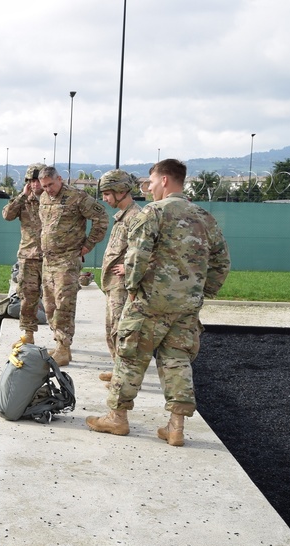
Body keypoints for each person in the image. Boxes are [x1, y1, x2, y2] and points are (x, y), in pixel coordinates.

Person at [87, 159, 230, 446]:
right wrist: (201, 293)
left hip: (149, 302)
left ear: (165, 180)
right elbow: (222, 263)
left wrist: (131, 289)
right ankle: (176, 427)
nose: (149, 189)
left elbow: (136, 256)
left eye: (151, 183)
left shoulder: (153, 212)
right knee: (177, 361)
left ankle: (117, 418)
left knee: (130, 357)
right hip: (186, 307)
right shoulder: (205, 216)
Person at [37, 165, 109, 365]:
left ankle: (63, 346)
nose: (48, 189)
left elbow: (101, 217)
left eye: (51, 184)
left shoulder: (77, 197)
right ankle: (60, 345)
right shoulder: (44, 198)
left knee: (64, 304)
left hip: (67, 259)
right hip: (48, 260)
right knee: (50, 305)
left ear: (59, 179)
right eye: (44, 186)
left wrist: (88, 245)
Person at [97, 169, 142, 382]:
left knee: (121, 331)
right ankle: (118, 370)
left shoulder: (136, 217)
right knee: (112, 328)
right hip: (113, 284)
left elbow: (144, 249)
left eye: (107, 193)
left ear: (121, 190)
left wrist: (128, 266)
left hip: (123, 285)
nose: (105, 199)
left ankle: (123, 378)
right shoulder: (123, 216)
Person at [2, 163, 47, 345]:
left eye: (37, 180)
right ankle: (28, 334)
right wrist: (23, 195)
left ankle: (61, 341)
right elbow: (7, 215)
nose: (35, 184)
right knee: (27, 298)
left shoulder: (55, 199)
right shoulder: (24, 200)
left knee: (55, 301)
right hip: (28, 256)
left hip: (52, 257)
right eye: (31, 181)